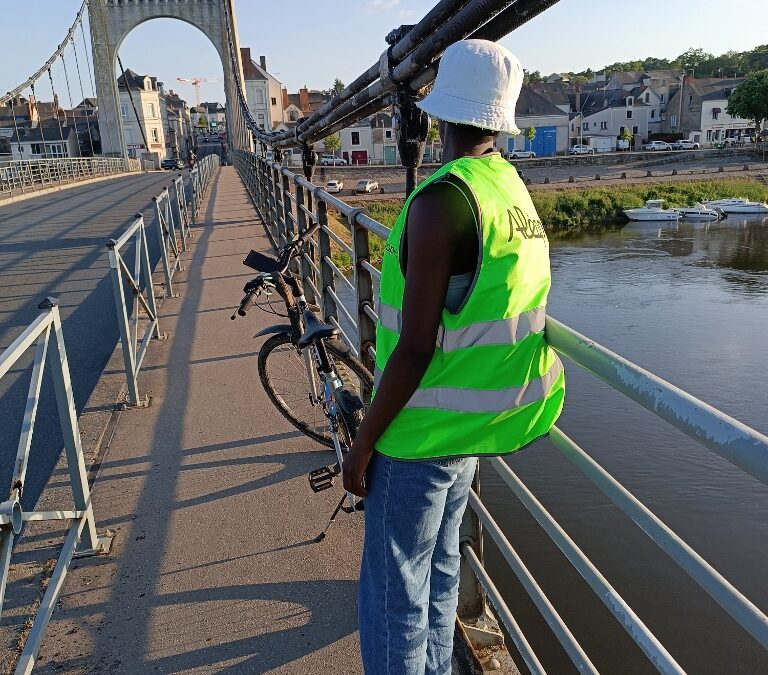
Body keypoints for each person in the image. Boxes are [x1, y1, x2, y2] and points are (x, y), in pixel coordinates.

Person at [343, 39, 566, 674]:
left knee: (394, 599)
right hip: (471, 430)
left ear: (439, 112)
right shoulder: (508, 189)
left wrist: (364, 441)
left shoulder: (441, 201)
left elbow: (412, 351)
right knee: (439, 575)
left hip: (418, 434)